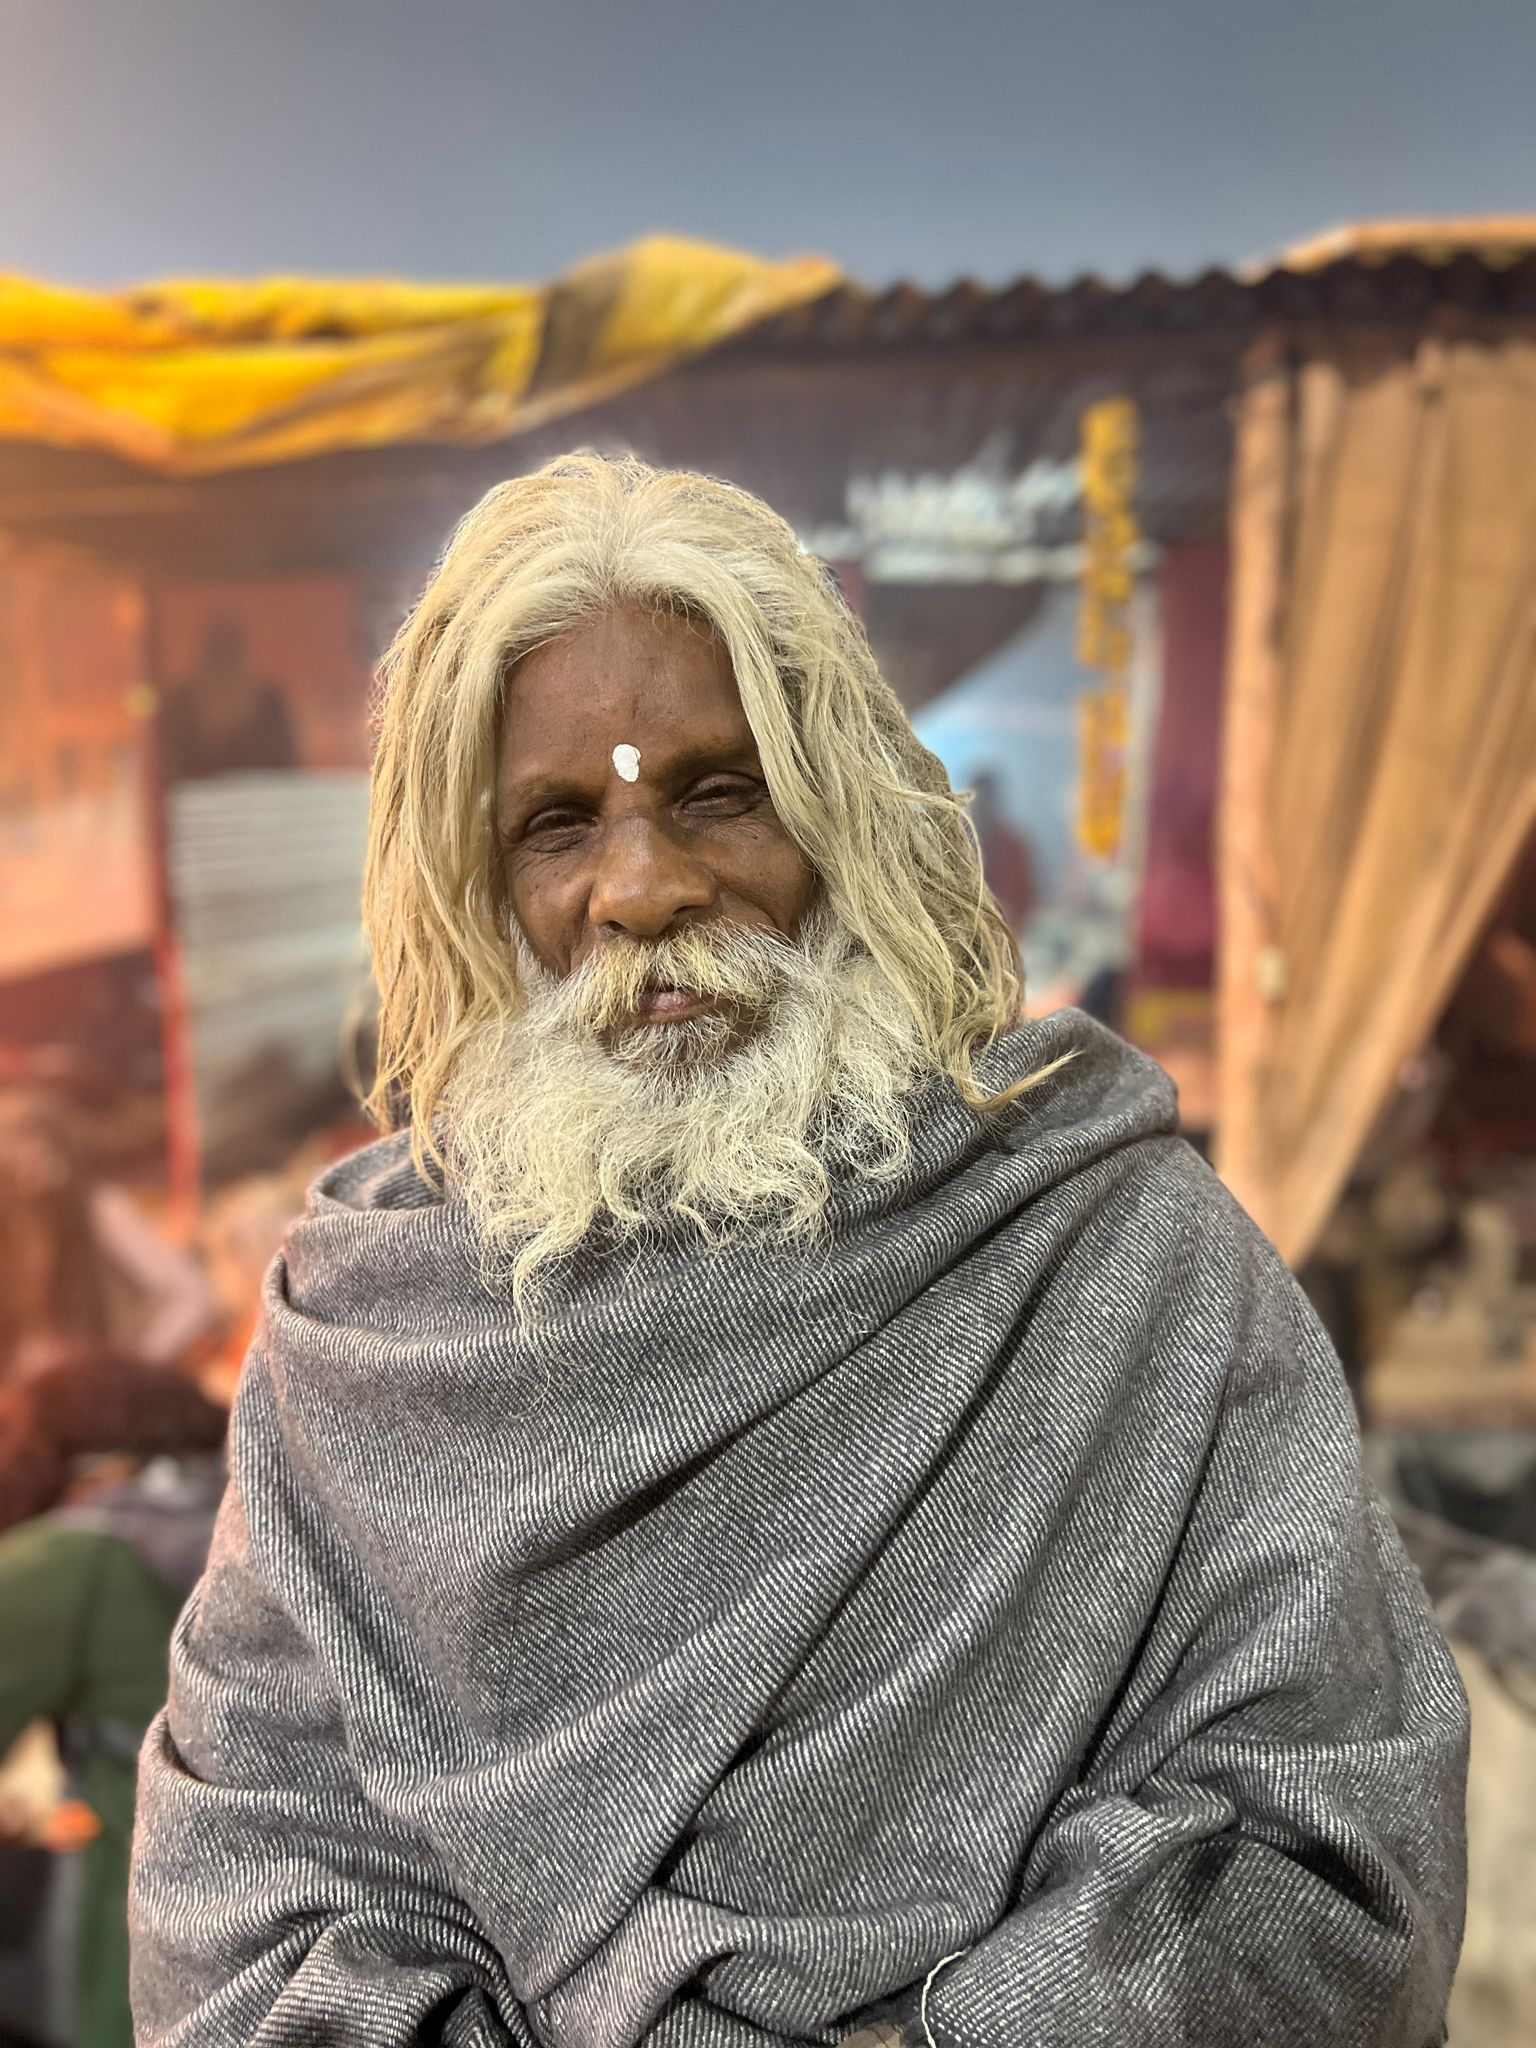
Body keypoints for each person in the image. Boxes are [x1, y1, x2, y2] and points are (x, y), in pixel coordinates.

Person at [130, 454, 1469, 2048]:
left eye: (716, 791)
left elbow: (1327, 1845)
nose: (645, 888)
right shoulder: (362, 1351)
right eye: (560, 824)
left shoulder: (1124, 1259)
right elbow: (244, 1904)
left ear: (846, 813)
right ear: (482, 888)